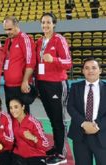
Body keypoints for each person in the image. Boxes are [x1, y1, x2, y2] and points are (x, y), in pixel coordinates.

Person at [35, 12, 72, 164]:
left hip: (56, 84)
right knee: (52, 118)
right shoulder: (39, 41)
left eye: (48, 23)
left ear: (54, 24)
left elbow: (68, 62)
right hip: (42, 84)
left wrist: (54, 59)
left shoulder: (59, 39)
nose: (45, 25)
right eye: (43, 22)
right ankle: (56, 147)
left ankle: (61, 154)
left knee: (58, 119)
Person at [67, 58, 106, 165]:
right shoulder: (75, 87)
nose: (90, 71)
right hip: (80, 136)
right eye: (87, 68)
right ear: (83, 71)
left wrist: (97, 125)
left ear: (100, 70)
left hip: (103, 135)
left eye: (94, 68)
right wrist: (84, 123)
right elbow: (70, 107)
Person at [2, 16, 36, 113]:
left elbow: (31, 62)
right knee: (11, 113)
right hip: (8, 86)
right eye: (5, 30)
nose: (7, 32)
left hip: (20, 86)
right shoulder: (8, 41)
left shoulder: (24, 38)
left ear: (16, 25)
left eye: (10, 29)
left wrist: (25, 81)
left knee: (23, 115)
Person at [9, 97, 49, 165]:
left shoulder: (33, 122)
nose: (13, 110)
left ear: (23, 107)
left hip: (36, 155)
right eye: (11, 108)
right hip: (19, 156)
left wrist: (33, 138)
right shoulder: (11, 121)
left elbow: (46, 145)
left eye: (16, 107)